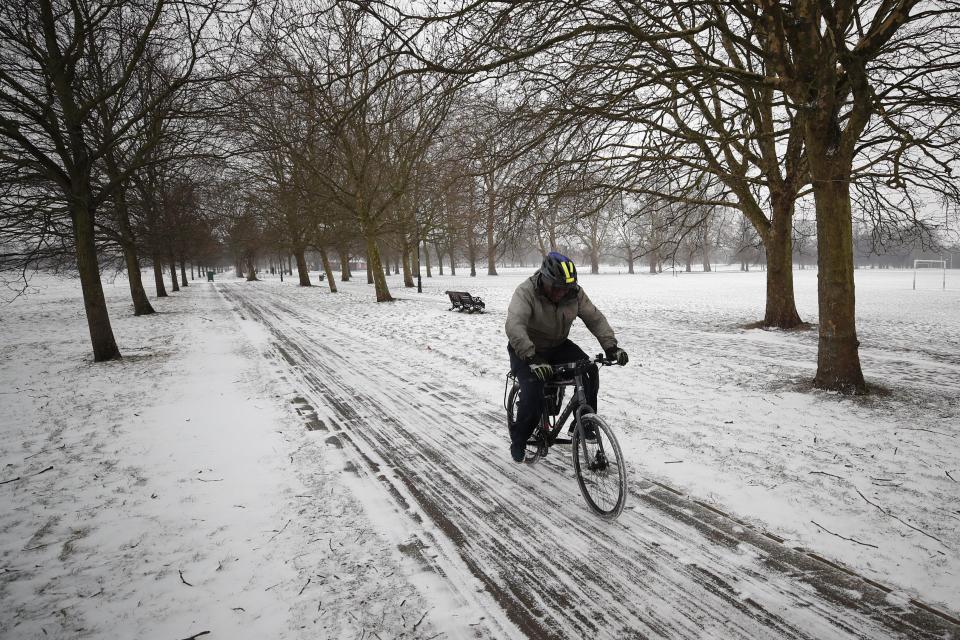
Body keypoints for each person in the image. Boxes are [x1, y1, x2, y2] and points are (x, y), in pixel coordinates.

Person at [505, 252, 628, 463]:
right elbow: (514, 326)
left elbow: (595, 318)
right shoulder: (526, 292)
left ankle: (583, 424)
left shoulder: (575, 293)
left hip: (558, 345)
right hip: (527, 349)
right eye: (557, 287)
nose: (562, 292)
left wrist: (611, 347)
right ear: (544, 278)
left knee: (589, 369)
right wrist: (532, 357)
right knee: (533, 394)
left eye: (566, 288)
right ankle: (519, 440)